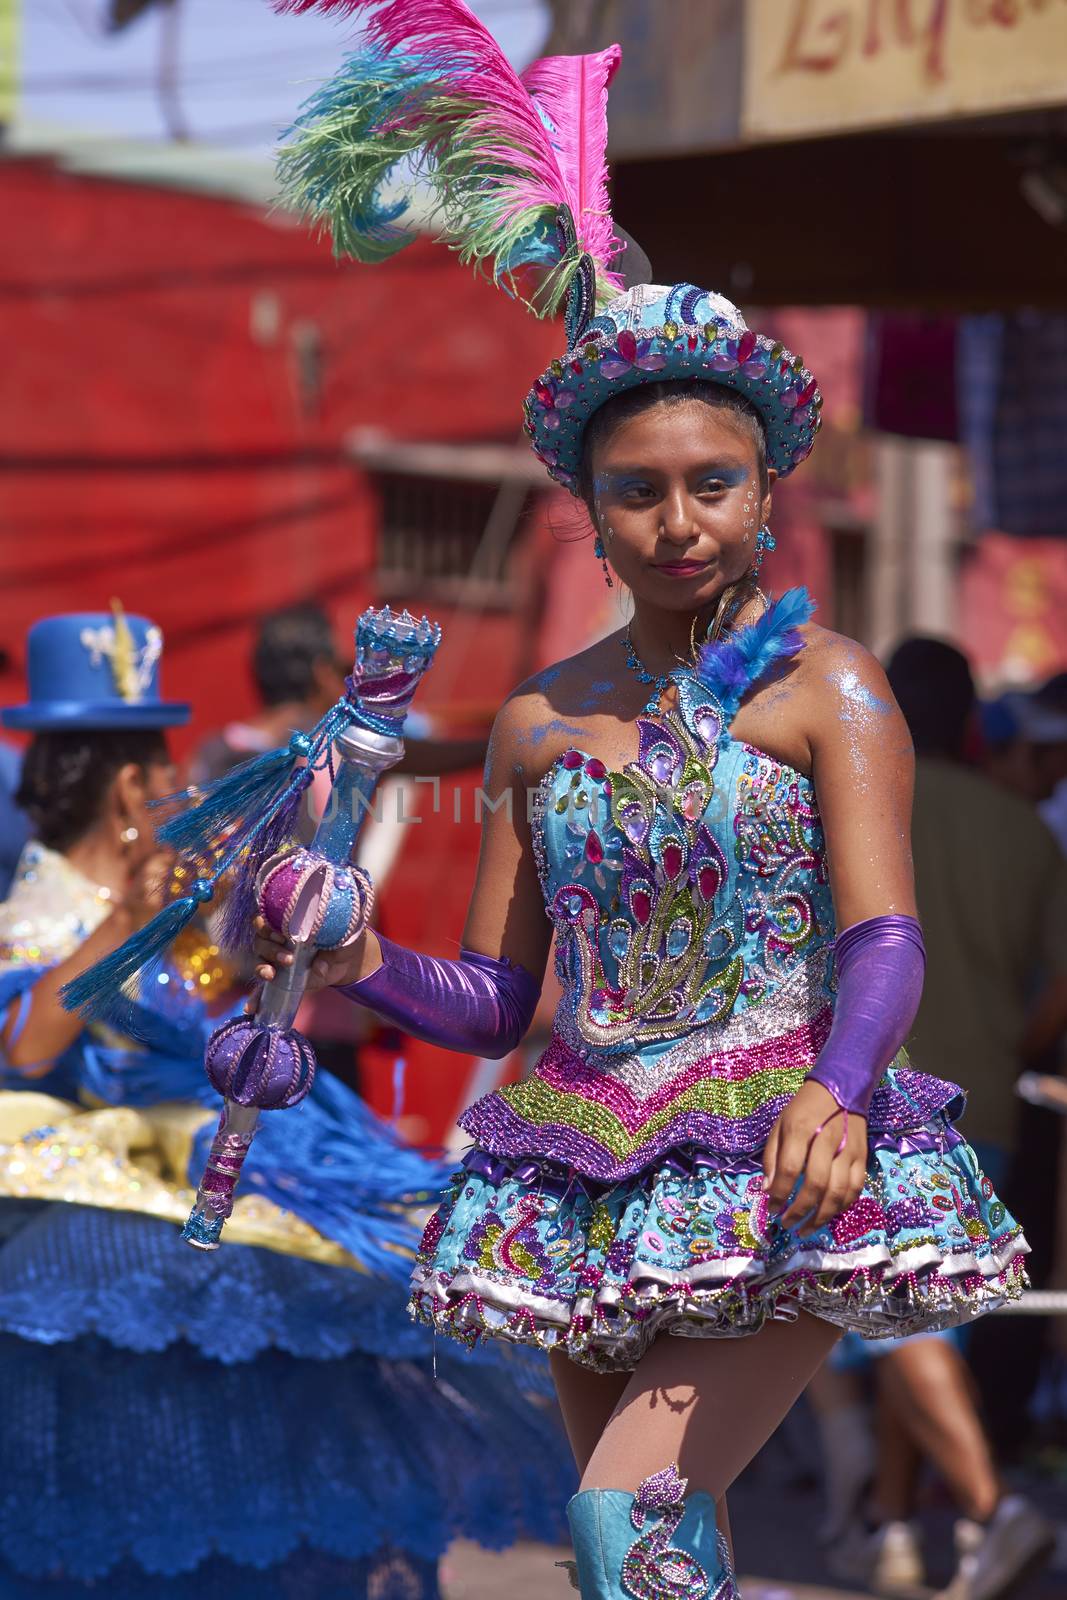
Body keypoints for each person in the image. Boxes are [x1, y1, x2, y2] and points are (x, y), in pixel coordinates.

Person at [254, 13, 1029, 1596]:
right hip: (572, 1168)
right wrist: (349, 970)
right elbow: (491, 998)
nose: (675, 520)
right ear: (587, 512)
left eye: (710, 483)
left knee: (623, 1521)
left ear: (763, 491)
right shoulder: (536, 724)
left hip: (779, 1162)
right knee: (670, 1555)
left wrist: (834, 1088)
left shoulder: (830, 685)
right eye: (635, 489)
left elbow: (882, 933)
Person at [0, 605, 572, 1600]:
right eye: (155, 766)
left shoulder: (167, 887)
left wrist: (275, 965)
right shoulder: (47, 901)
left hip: (228, 1179)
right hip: (101, 1212)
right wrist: (126, 927)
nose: (175, 783)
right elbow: (33, 1037)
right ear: (122, 779)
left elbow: (214, 989)